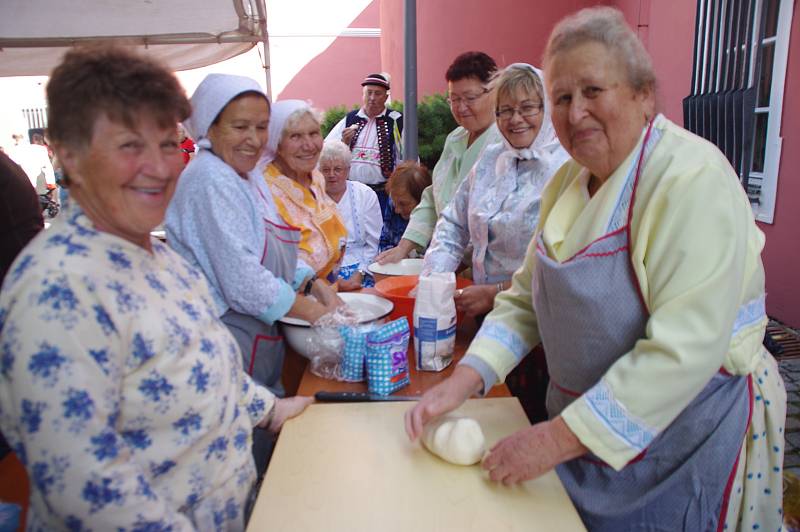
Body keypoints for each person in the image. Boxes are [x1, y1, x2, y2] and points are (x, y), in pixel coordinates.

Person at [405, 7, 785, 531]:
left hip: (674, 435)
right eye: (562, 97)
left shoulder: (690, 179)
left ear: (643, 94)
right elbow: (524, 299)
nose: (574, 112)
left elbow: (684, 349)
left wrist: (553, 439)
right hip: (582, 431)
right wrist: (466, 379)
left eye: (593, 91)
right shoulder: (570, 183)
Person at [0, 47, 311, 530]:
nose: (160, 168)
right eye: (129, 145)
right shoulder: (56, 291)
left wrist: (273, 409)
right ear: (68, 154)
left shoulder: (159, 257)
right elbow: (92, 494)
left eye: (168, 144)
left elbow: (205, 366)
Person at [166, 75, 340, 476]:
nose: (253, 139)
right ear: (209, 127)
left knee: (260, 449)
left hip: (255, 339)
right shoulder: (209, 179)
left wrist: (314, 283)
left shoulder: (243, 177)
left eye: (261, 127)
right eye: (239, 126)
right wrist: (317, 314)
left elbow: (269, 251)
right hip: (228, 337)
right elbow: (244, 281)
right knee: (236, 456)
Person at [421, 64, 568, 318]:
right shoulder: (491, 159)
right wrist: (435, 282)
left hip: (540, 319)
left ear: (547, 108)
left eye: (528, 108)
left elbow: (565, 264)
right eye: (505, 110)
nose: (515, 118)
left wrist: (497, 293)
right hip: (482, 312)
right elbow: (453, 223)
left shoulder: (565, 168)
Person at [377, 52, 501, 264]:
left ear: (494, 93)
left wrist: (450, 263)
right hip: (448, 258)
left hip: (487, 265)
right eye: (454, 99)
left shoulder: (503, 141)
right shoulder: (456, 138)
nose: (461, 108)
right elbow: (432, 197)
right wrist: (404, 247)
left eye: (470, 98)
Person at [259, 100, 347, 281]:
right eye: (295, 136)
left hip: (328, 296)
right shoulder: (264, 193)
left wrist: (335, 283)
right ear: (277, 144)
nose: (309, 145)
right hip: (291, 305)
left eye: (314, 133)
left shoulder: (316, 178)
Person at [325, 73, 406, 250]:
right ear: (362, 94)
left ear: (386, 96)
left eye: (378, 93)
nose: (372, 98)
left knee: (382, 237)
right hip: (352, 191)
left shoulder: (396, 121)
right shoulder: (351, 118)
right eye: (368, 92)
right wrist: (344, 142)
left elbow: (406, 157)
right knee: (352, 235)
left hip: (382, 193)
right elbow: (328, 150)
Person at [319, 140, 382, 290]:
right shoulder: (313, 196)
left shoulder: (365, 194)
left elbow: (375, 243)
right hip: (322, 272)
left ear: (348, 170)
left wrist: (360, 273)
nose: (332, 175)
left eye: (338, 169)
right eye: (326, 170)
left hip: (362, 269)